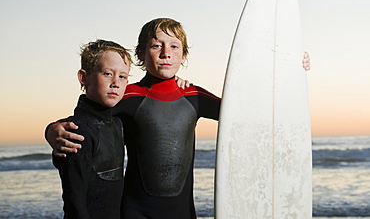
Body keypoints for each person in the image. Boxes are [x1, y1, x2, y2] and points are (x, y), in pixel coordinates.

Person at [46, 18, 311, 219]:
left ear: (184, 56)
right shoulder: (129, 94)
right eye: (156, 45)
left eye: (174, 46)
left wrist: (291, 69)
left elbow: (247, 111)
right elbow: (91, 119)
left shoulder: (192, 95)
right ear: (140, 54)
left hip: (182, 212)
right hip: (134, 211)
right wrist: (52, 130)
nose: (165, 53)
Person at [53, 39, 132, 218]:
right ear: (84, 77)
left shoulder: (117, 123)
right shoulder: (75, 132)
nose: (116, 83)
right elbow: (74, 201)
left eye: (122, 76)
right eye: (107, 74)